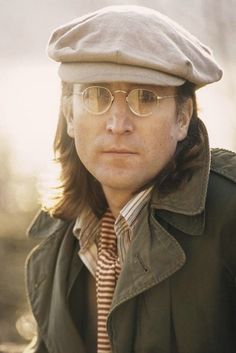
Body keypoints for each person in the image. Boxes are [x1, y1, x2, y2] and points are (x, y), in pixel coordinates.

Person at [24, 5, 236, 353]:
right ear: (70, 114)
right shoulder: (58, 235)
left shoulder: (229, 217)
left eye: (146, 97)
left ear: (183, 118)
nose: (117, 123)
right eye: (95, 96)